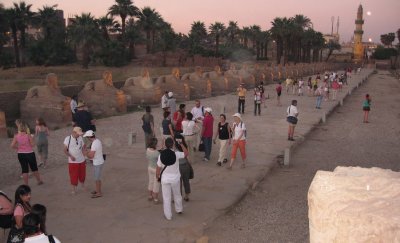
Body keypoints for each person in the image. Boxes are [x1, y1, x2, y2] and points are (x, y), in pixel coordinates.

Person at [156, 137, 188, 220]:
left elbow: (158, 168)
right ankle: (179, 209)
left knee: (166, 198)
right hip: (175, 179)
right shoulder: (176, 154)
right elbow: (186, 153)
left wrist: (157, 176)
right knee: (177, 194)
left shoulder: (161, 155)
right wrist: (181, 144)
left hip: (165, 179)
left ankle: (168, 215)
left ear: (165, 145)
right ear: (173, 144)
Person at [11, 121, 43, 186]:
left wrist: (18, 147)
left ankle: (26, 184)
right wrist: (32, 139)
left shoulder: (16, 136)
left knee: (24, 169)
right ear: (25, 128)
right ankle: (39, 181)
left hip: (21, 154)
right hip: (30, 153)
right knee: (34, 168)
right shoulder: (28, 135)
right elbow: (33, 144)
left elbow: (12, 145)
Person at [63, 127, 86, 195]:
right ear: (74, 132)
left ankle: (82, 185)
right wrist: (70, 156)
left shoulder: (80, 138)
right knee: (73, 175)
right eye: (78, 134)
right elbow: (64, 150)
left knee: (82, 174)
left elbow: (83, 147)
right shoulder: (67, 139)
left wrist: (85, 152)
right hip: (73, 162)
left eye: (80, 134)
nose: (79, 135)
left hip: (81, 160)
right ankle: (73, 189)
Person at [83, 130, 104, 198]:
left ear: (89, 137)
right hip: (99, 161)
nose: (87, 138)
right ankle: (97, 190)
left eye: (87, 137)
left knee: (97, 178)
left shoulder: (94, 144)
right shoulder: (97, 141)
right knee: (97, 178)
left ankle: (99, 193)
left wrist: (86, 153)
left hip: (97, 163)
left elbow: (91, 156)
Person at [175, 134, 192, 202]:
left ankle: (180, 197)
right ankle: (186, 196)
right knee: (186, 181)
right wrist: (182, 144)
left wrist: (181, 144)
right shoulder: (183, 145)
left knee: (179, 183)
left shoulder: (175, 147)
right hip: (185, 166)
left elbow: (186, 153)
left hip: (179, 167)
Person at [146, 137, 160, 204]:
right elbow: (159, 161)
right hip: (156, 169)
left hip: (150, 167)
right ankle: (155, 198)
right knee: (156, 183)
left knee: (150, 181)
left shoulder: (147, 150)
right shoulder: (157, 153)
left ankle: (150, 195)